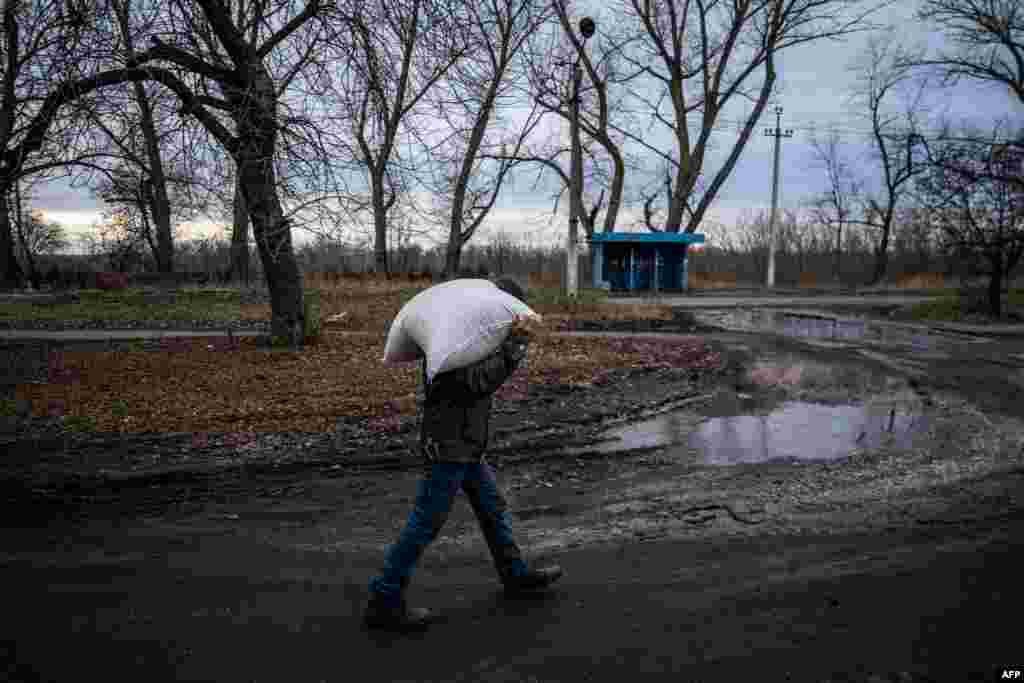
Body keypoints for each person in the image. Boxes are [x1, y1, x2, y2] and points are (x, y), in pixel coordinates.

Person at [364, 276, 563, 632]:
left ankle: (515, 575)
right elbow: (474, 384)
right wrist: (514, 347)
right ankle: (384, 598)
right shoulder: (455, 344)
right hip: (449, 447)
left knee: (493, 509)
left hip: (467, 445)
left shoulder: (471, 338)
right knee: (426, 521)